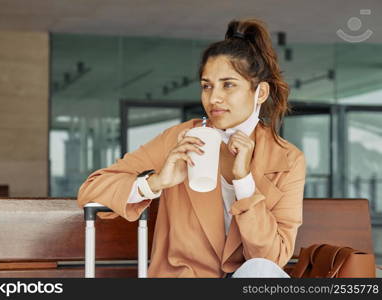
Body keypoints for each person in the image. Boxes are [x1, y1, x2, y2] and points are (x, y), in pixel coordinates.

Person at [77, 18, 306, 278]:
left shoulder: (287, 159)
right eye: (207, 86)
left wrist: (244, 183)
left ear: (260, 93)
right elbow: (91, 188)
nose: (214, 98)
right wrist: (154, 182)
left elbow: (271, 260)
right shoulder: (181, 138)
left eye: (228, 84)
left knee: (261, 270)